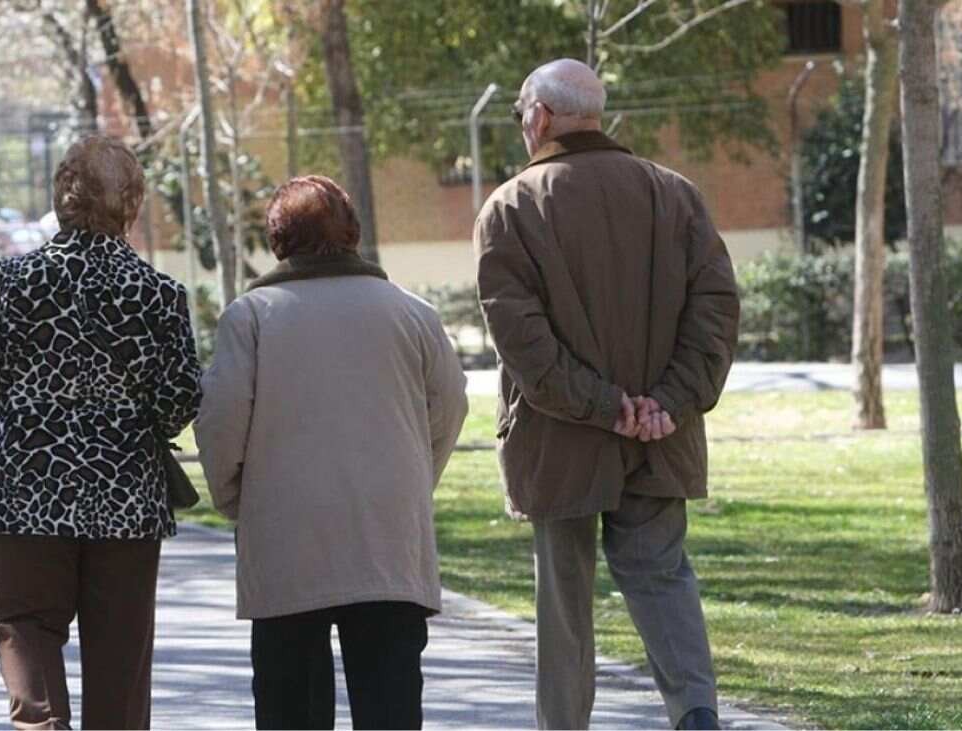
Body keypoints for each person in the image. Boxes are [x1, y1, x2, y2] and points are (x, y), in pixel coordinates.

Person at [474, 59, 740, 731]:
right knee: (661, 576)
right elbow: (715, 309)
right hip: (659, 432)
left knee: (564, 600)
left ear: (538, 116)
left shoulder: (510, 207)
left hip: (560, 437)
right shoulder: (673, 193)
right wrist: (666, 403)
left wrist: (603, 405)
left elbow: (523, 340)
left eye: (519, 116)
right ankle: (696, 713)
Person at [196, 175, 469, 730]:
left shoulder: (250, 317)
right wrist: (416, 477)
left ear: (277, 241)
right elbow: (450, 410)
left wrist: (236, 498)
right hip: (387, 535)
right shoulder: (412, 313)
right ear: (354, 234)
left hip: (284, 534)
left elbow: (220, 422)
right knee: (390, 704)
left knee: (290, 706)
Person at [0, 135, 201, 730]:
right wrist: (133, 428)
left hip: (25, 492)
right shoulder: (158, 295)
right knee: (120, 655)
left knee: (27, 626)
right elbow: (181, 396)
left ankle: (42, 725)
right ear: (131, 205)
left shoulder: (14, 282)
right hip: (126, 500)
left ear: (61, 199)